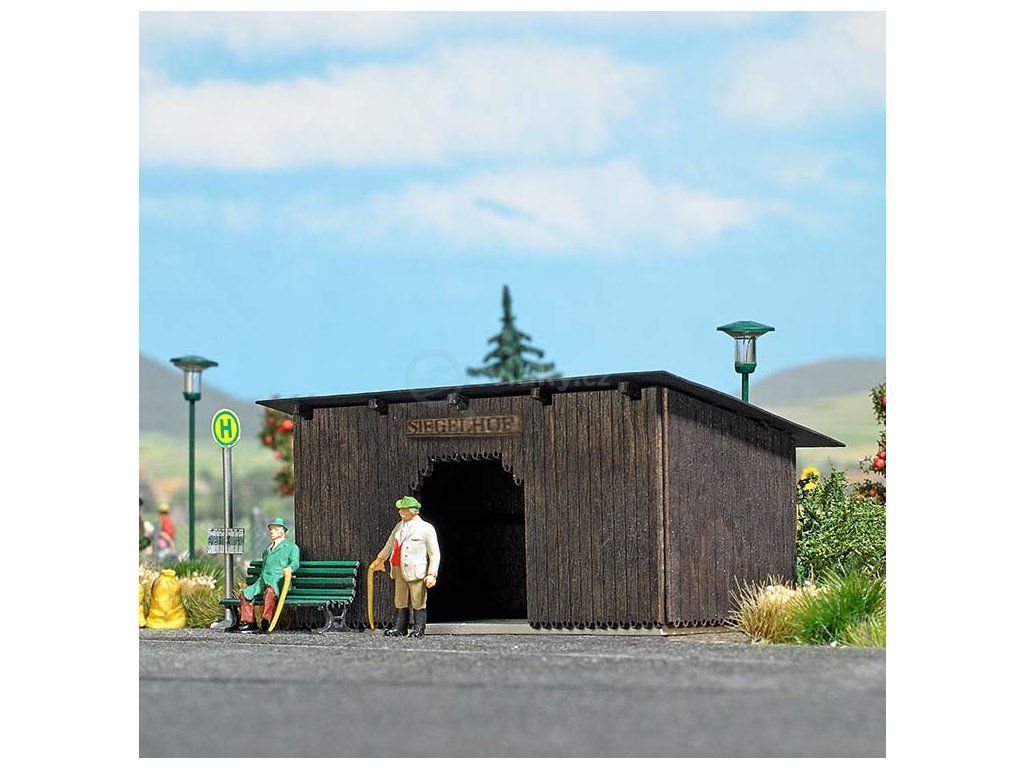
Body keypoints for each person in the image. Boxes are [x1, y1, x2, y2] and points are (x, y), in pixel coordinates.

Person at [370, 496, 440, 638]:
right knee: (400, 600)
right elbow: (390, 544)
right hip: (398, 569)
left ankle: (419, 628)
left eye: (404, 509)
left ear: (413, 511)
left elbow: (434, 553)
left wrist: (432, 574)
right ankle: (400, 627)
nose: (400, 512)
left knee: (418, 600)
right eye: (400, 509)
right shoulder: (399, 526)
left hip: (416, 571)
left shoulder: (426, 528)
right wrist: (380, 558)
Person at [231, 516, 300, 633]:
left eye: (275, 529)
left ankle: (266, 622)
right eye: (271, 529)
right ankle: (249, 623)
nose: (272, 532)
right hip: (263, 581)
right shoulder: (267, 551)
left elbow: (295, 563)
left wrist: (289, 568)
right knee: (245, 594)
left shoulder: (291, 547)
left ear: (282, 531)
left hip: (278, 581)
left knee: (270, 593)